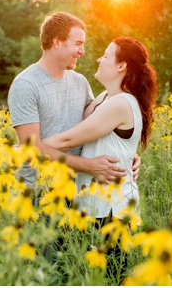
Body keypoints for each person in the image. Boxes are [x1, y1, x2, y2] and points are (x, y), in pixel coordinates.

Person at [41, 36, 157, 282]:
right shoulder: (104, 98)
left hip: (112, 209)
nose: (98, 59)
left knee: (112, 278)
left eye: (105, 55)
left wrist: (28, 146)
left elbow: (68, 141)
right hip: (93, 204)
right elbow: (107, 142)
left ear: (121, 66)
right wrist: (130, 157)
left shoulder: (121, 103)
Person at [7, 11, 132, 191]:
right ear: (57, 42)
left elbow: (96, 126)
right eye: (78, 44)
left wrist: (126, 155)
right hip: (38, 193)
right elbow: (31, 149)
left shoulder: (79, 81)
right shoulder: (26, 84)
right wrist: (89, 166)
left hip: (77, 190)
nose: (82, 51)